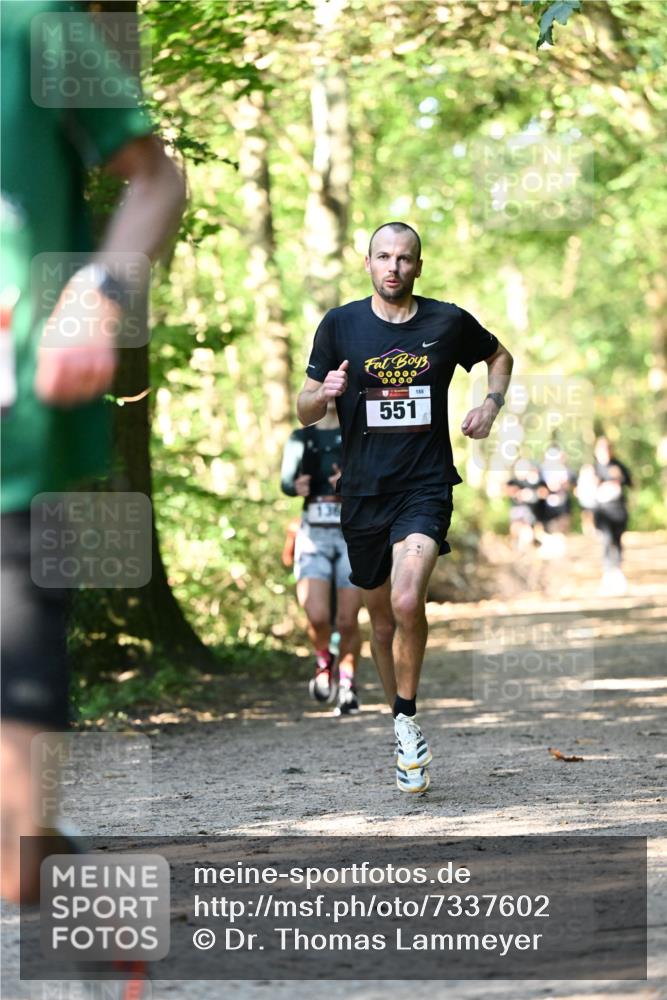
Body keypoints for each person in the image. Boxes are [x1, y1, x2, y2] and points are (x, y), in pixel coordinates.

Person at [1, 2, 185, 910]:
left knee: (13, 861)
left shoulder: (34, 26)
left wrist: (99, 293)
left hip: (16, 461)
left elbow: (155, 178)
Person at [297, 221, 513, 793]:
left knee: (406, 596)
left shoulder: (447, 322)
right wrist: (324, 395)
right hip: (363, 492)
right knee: (381, 617)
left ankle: (409, 720)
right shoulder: (340, 325)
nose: (394, 267)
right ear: (368, 263)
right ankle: (398, 715)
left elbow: (500, 357)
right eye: (384, 257)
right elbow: (303, 407)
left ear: (419, 266)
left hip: (425, 484)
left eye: (405, 258)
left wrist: (489, 405)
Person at [281, 401, 363, 715]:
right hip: (313, 534)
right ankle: (323, 660)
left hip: (350, 535)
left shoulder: (358, 434)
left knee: (347, 619)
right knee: (316, 615)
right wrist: (295, 485)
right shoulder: (300, 439)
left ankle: (347, 682)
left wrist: (349, 480)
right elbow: (287, 482)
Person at [591, 435, 633, 595]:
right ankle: (608, 572)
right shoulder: (593, 468)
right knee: (606, 540)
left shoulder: (619, 466)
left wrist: (619, 477)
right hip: (602, 511)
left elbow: (630, 482)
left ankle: (617, 569)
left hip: (619, 510)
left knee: (617, 540)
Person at [505, 457, 547, 551]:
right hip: (517, 515)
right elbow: (507, 490)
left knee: (530, 534)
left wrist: (532, 494)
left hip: (531, 515)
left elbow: (544, 492)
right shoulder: (513, 481)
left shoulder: (534, 482)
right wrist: (518, 493)